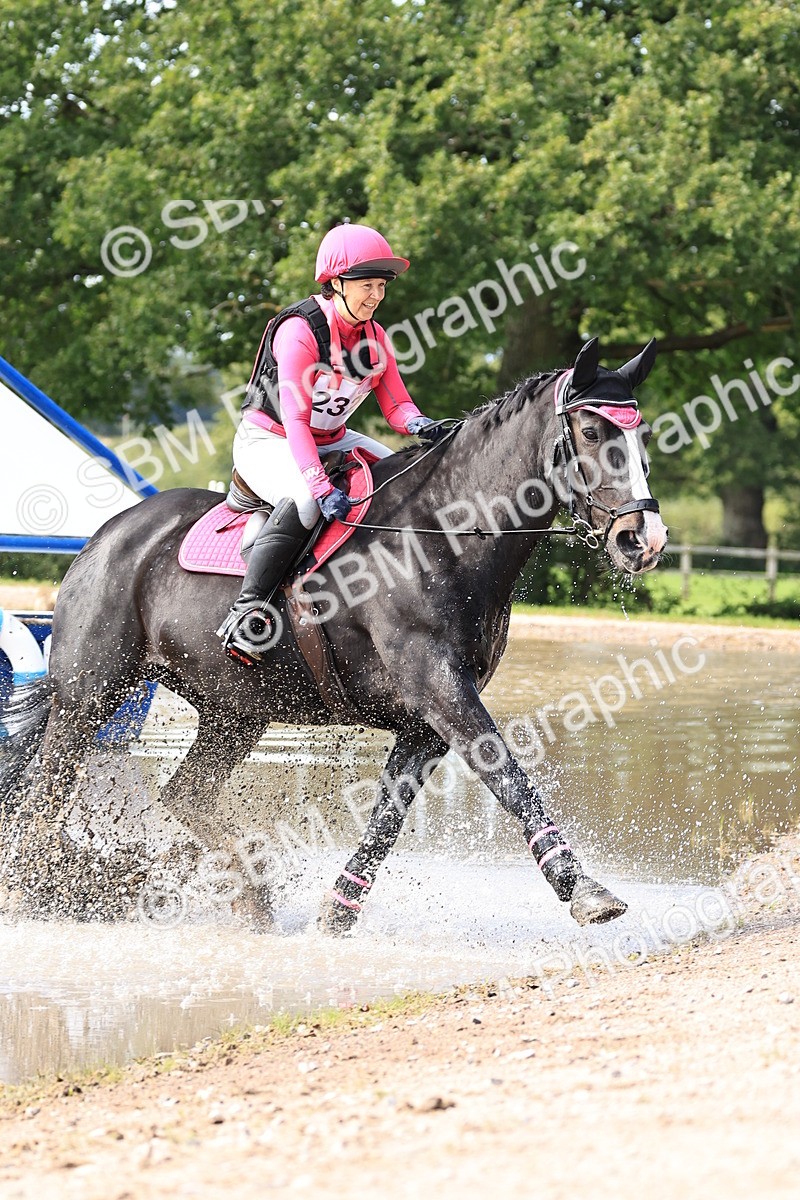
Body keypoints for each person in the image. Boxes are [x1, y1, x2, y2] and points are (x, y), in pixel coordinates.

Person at [216, 223, 442, 665]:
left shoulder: (375, 339)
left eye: (381, 286)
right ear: (336, 282)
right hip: (270, 438)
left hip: (332, 438)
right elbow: (297, 421)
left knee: (405, 476)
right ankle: (246, 614)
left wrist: (422, 425)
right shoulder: (300, 331)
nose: (375, 296)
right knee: (305, 500)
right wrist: (320, 485)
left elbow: (397, 405)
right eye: (366, 285)